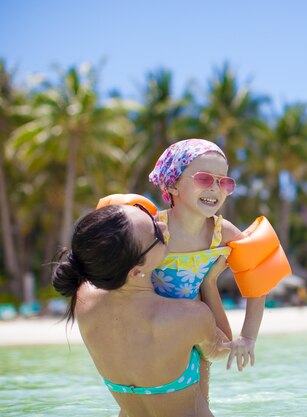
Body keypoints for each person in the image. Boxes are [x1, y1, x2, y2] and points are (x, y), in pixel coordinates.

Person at [53, 204, 230, 417]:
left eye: (151, 216)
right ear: (136, 271)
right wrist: (208, 282)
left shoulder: (83, 299)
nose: (164, 225)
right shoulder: (188, 316)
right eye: (156, 232)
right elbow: (224, 348)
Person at [148, 139, 265, 373]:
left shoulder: (223, 232)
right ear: (173, 184)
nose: (215, 188)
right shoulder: (152, 230)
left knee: (200, 403)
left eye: (224, 182)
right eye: (204, 179)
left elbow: (258, 278)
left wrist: (248, 337)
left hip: (197, 332)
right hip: (151, 328)